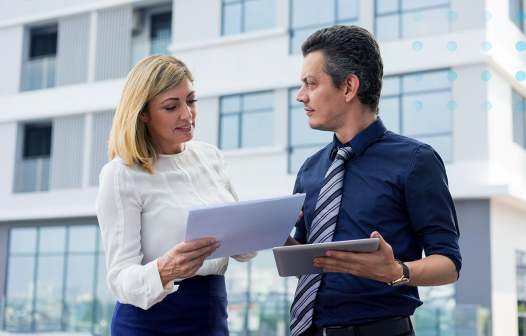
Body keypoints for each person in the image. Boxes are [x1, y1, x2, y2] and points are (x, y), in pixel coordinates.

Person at [285, 25, 462, 336]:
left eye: (310, 84)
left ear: (349, 87)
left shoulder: (415, 161)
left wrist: (397, 272)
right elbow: (306, 260)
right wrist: (268, 234)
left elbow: (449, 263)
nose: (301, 96)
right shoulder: (310, 169)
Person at [96, 54, 257, 335]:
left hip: (211, 314)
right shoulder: (121, 174)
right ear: (142, 113)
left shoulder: (211, 157)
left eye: (191, 100)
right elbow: (120, 279)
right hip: (150, 322)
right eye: (172, 106)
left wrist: (269, 224)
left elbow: (244, 249)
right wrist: (164, 269)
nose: (187, 114)